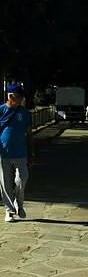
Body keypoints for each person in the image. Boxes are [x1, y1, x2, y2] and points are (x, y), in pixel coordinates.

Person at [0, 85, 34, 221]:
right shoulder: (1, 110)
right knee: (5, 183)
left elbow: (30, 134)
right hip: (3, 154)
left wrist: (32, 153)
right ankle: (9, 210)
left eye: (22, 97)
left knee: (22, 179)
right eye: (19, 97)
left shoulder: (25, 113)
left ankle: (18, 204)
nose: (21, 100)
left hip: (21, 153)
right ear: (10, 96)